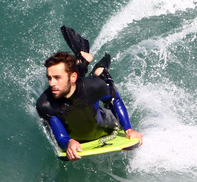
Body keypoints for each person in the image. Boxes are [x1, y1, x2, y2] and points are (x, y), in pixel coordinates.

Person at [36, 29, 143, 161]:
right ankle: (82, 61)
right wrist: (69, 142)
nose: (51, 83)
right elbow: (60, 136)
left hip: (103, 121)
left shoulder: (93, 87)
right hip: (76, 111)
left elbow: (114, 99)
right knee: (69, 88)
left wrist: (128, 129)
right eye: (49, 78)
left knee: (97, 83)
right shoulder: (45, 104)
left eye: (56, 77)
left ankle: (99, 71)